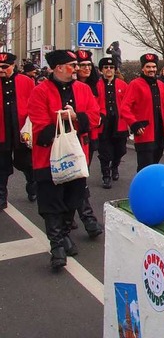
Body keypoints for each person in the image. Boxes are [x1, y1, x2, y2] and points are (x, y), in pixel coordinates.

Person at [27, 50, 100, 270]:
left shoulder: (83, 89)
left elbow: (95, 116)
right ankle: (57, 246)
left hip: (77, 157)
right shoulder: (40, 92)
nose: (77, 68)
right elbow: (39, 127)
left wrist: (76, 116)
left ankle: (65, 233)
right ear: (59, 67)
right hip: (48, 158)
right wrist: (60, 118)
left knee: (73, 199)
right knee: (51, 203)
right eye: (72, 65)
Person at [120, 53, 164, 171]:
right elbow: (124, 107)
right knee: (145, 167)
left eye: (153, 67)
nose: (151, 69)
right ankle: (143, 188)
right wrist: (134, 123)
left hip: (159, 133)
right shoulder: (135, 84)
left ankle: (152, 189)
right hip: (144, 132)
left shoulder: (161, 85)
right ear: (142, 68)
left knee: (155, 165)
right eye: (148, 67)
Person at [0, 52, 36, 210]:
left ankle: (32, 185)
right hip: (2, 131)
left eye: (5, 67)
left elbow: (35, 103)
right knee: (1, 165)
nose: (1, 70)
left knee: (26, 163)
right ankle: (1, 196)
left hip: (22, 130)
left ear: (13, 66)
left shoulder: (25, 81)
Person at [73, 49, 103, 238]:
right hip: (72, 138)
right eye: (81, 65)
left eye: (88, 66)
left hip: (90, 137)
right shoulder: (70, 87)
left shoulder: (95, 86)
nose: (85, 69)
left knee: (81, 176)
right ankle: (87, 217)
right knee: (77, 178)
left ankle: (72, 216)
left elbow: (99, 111)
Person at [96, 57, 128, 189]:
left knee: (120, 150)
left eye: (111, 68)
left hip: (119, 122)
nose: (109, 70)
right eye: (106, 67)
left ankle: (114, 167)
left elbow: (128, 103)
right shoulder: (96, 85)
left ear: (115, 70)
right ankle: (106, 175)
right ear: (101, 70)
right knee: (104, 151)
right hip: (104, 124)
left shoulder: (122, 85)